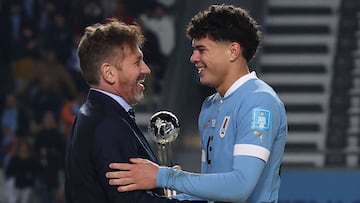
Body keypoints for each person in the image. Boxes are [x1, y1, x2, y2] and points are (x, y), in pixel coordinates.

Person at [106, 4, 288, 203]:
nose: (193, 58)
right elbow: (212, 194)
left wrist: (163, 176)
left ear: (233, 51)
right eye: (194, 50)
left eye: (201, 49)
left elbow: (240, 187)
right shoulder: (210, 106)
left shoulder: (258, 102)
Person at [64, 18, 206, 203]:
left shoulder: (94, 113)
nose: (146, 69)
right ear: (109, 73)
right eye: (137, 62)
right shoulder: (108, 125)